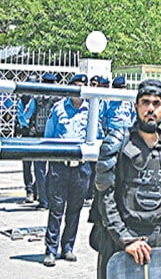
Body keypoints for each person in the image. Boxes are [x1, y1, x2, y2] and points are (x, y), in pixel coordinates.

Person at [91, 79, 161, 279]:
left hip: (157, 242)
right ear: (136, 106)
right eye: (145, 102)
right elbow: (104, 197)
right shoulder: (117, 143)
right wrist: (126, 239)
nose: (150, 109)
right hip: (119, 242)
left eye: (156, 103)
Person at [42, 73, 102, 267]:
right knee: (56, 209)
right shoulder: (58, 108)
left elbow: (98, 135)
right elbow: (48, 136)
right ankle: (50, 250)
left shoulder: (91, 110)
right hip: (60, 166)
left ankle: (67, 247)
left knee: (74, 210)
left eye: (82, 86)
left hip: (81, 168)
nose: (79, 91)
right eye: (76, 86)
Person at [34, 72, 60, 209]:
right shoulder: (59, 99)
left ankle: (43, 200)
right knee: (53, 171)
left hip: (39, 136)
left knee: (40, 171)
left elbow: (31, 116)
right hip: (54, 138)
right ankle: (51, 199)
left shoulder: (37, 97)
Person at [16, 76, 38, 203]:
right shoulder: (22, 99)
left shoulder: (38, 100)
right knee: (26, 164)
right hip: (25, 133)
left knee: (39, 165)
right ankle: (29, 189)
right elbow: (19, 114)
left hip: (36, 133)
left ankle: (36, 188)